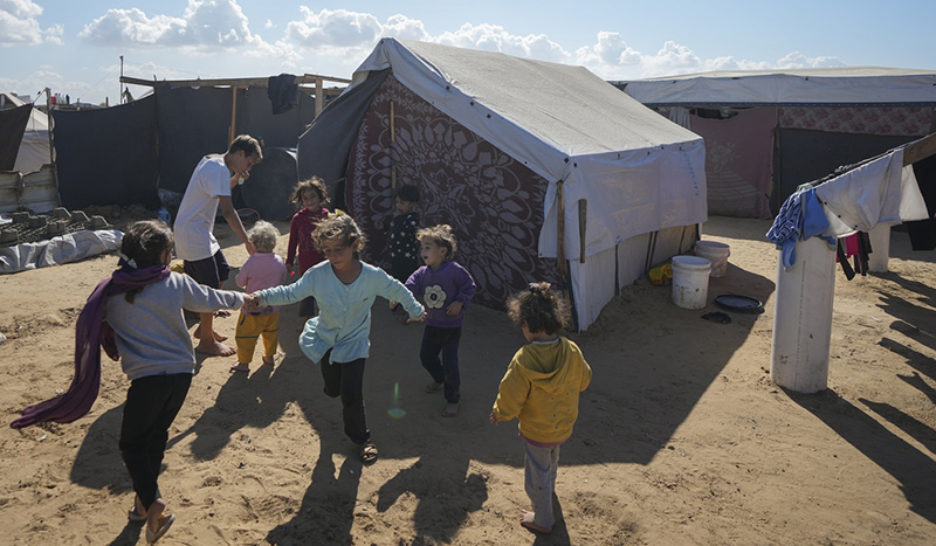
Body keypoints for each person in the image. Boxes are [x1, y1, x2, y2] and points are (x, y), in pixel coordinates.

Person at [13, 220, 245, 544]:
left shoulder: (110, 292)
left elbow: (93, 322)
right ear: (164, 256)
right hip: (181, 376)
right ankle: (141, 506)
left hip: (147, 381)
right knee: (155, 436)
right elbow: (210, 298)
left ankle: (153, 502)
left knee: (131, 445)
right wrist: (246, 299)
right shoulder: (175, 282)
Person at [245, 213, 425, 464]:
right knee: (333, 389)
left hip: (355, 343)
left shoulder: (372, 277)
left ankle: (362, 439)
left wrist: (416, 310)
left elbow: (397, 289)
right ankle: (332, 385)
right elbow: (290, 293)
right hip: (326, 339)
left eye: (338, 249)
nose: (332, 256)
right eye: (327, 250)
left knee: (351, 394)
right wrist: (261, 296)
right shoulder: (318, 274)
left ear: (355, 245)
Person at [489, 282, 592, 534]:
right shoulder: (571, 349)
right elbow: (584, 379)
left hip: (536, 430)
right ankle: (549, 490)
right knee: (551, 461)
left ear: (526, 324)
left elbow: (511, 394)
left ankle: (543, 519)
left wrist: (500, 412)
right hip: (563, 424)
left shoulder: (524, 359)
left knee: (537, 475)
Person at [174, 134, 262, 356]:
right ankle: (206, 341)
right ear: (240, 153)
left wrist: (237, 177)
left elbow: (221, 188)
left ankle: (206, 329)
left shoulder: (215, 162)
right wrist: (247, 241)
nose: (249, 166)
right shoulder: (218, 169)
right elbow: (228, 211)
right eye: (249, 162)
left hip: (201, 231)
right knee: (209, 285)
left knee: (221, 271)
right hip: (192, 233)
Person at [404, 224, 476, 417]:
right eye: (422, 247)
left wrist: (460, 302)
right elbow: (409, 286)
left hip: (452, 327)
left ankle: (453, 399)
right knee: (426, 357)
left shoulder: (454, 270)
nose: (423, 251)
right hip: (432, 324)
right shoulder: (422, 273)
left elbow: (469, 287)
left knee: (450, 364)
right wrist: (400, 297)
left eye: (428, 247)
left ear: (442, 251)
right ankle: (439, 378)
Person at [232, 221, 288, 373]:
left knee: (245, 337)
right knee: (271, 334)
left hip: (252, 309)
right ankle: (269, 357)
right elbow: (282, 279)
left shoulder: (251, 263)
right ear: (274, 242)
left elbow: (239, 282)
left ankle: (243, 363)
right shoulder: (278, 261)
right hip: (273, 308)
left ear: (254, 243)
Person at [285, 177, 329, 318]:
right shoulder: (298, 219)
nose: (309, 201)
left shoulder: (327, 216)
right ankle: (306, 321)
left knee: (325, 291)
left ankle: (325, 320)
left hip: (324, 260)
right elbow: (293, 241)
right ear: (301, 200)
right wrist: (289, 261)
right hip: (306, 262)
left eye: (313, 197)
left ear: (320, 196)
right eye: (305, 198)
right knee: (307, 292)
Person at [386, 184, 420, 283]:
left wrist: (398, 219)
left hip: (407, 258)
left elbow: (405, 231)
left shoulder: (412, 219)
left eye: (402, 203)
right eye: (397, 202)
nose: (398, 206)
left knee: (407, 281)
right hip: (395, 256)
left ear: (412, 204)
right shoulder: (398, 217)